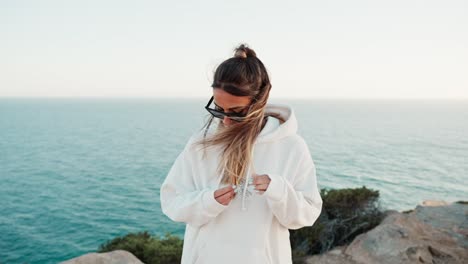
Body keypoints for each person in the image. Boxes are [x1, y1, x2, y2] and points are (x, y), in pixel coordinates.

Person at [160, 43, 323, 264]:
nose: (225, 120)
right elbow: (171, 202)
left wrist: (278, 189)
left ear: (260, 100)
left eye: (237, 112)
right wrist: (207, 201)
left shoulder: (291, 147)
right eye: (218, 108)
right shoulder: (201, 144)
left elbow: (307, 214)